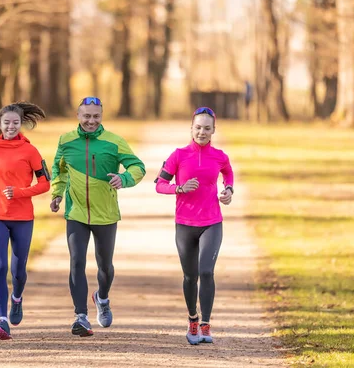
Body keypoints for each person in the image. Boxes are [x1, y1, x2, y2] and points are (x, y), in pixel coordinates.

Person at [50, 96, 146, 337]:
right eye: (86, 116)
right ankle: (80, 316)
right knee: (77, 261)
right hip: (76, 212)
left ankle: (102, 298)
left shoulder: (114, 142)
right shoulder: (66, 141)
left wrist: (123, 179)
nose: (91, 121)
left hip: (106, 213)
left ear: (101, 116)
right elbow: (59, 170)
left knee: (105, 267)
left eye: (96, 116)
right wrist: (57, 195)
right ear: (78, 116)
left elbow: (138, 167)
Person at [154, 106, 234, 345]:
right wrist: (179, 188)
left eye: (207, 128)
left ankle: (206, 324)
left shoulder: (220, 156)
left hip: (212, 222)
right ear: (191, 128)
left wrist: (228, 190)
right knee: (190, 276)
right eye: (198, 127)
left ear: (213, 130)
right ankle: (192, 319)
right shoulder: (178, 155)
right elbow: (159, 184)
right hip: (185, 224)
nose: (202, 132)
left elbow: (228, 174)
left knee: (206, 272)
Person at [0, 101, 51, 340]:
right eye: (6, 122)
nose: (10, 126)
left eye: (15, 123)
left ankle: (16, 298)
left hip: (22, 218)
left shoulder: (31, 152)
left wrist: (20, 192)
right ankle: (2, 320)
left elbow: (45, 183)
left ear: (21, 125)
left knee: (18, 271)